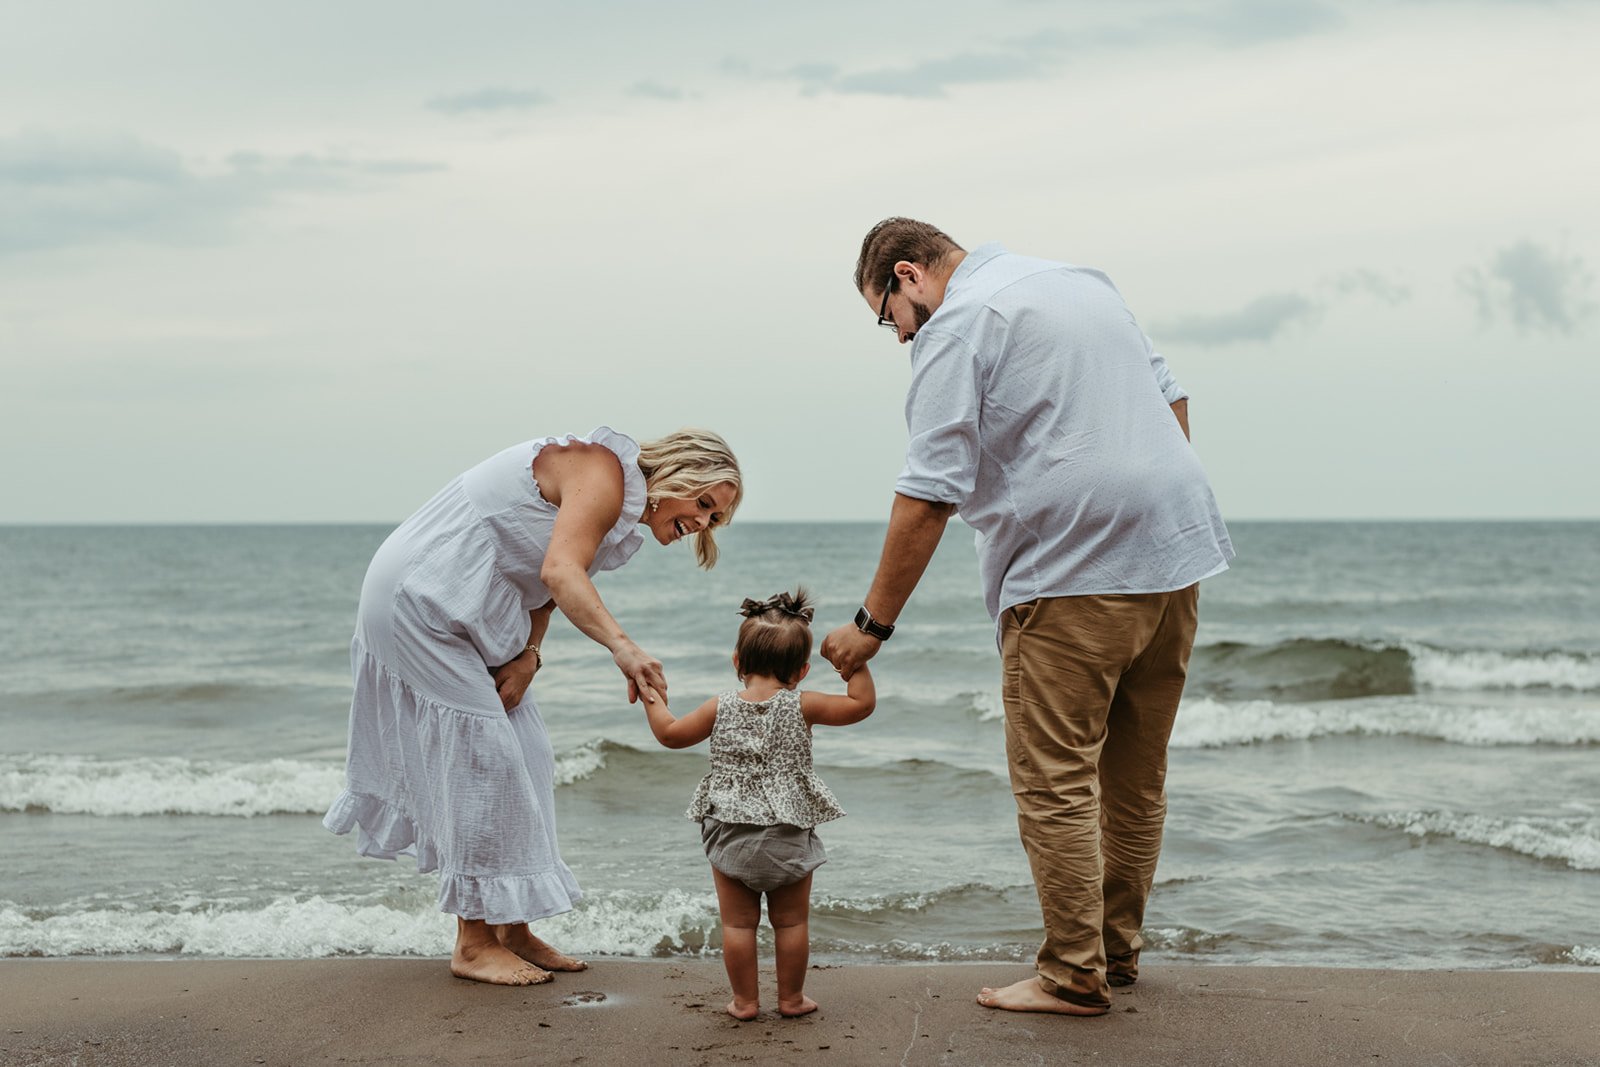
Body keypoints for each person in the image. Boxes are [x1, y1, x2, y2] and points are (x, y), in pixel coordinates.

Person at [819, 218, 1234, 1017]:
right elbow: (1171, 396)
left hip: (1069, 573)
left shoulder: (957, 324)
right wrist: (1135, 497)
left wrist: (871, 624)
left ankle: (1073, 974)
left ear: (908, 276)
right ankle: (1115, 955)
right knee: (1134, 779)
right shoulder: (1083, 282)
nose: (895, 334)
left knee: (1056, 783)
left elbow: (930, 491)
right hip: (1174, 558)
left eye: (886, 317)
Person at [323, 426, 742, 986]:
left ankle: (512, 930)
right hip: (419, 596)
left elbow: (547, 584)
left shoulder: (616, 510)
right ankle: (472, 943)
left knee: (529, 755)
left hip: (471, 609)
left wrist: (530, 654)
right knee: (485, 759)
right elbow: (560, 571)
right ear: (681, 472)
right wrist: (625, 649)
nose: (702, 522)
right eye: (705, 503)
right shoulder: (601, 472)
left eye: (715, 519)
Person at [640, 589, 875, 1020]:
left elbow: (670, 735)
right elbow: (862, 705)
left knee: (737, 925)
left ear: (736, 662)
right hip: (787, 828)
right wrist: (853, 661)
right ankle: (791, 999)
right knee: (790, 923)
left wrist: (649, 692)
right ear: (803, 671)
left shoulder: (719, 706)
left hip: (729, 828)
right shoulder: (803, 704)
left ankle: (745, 1002)